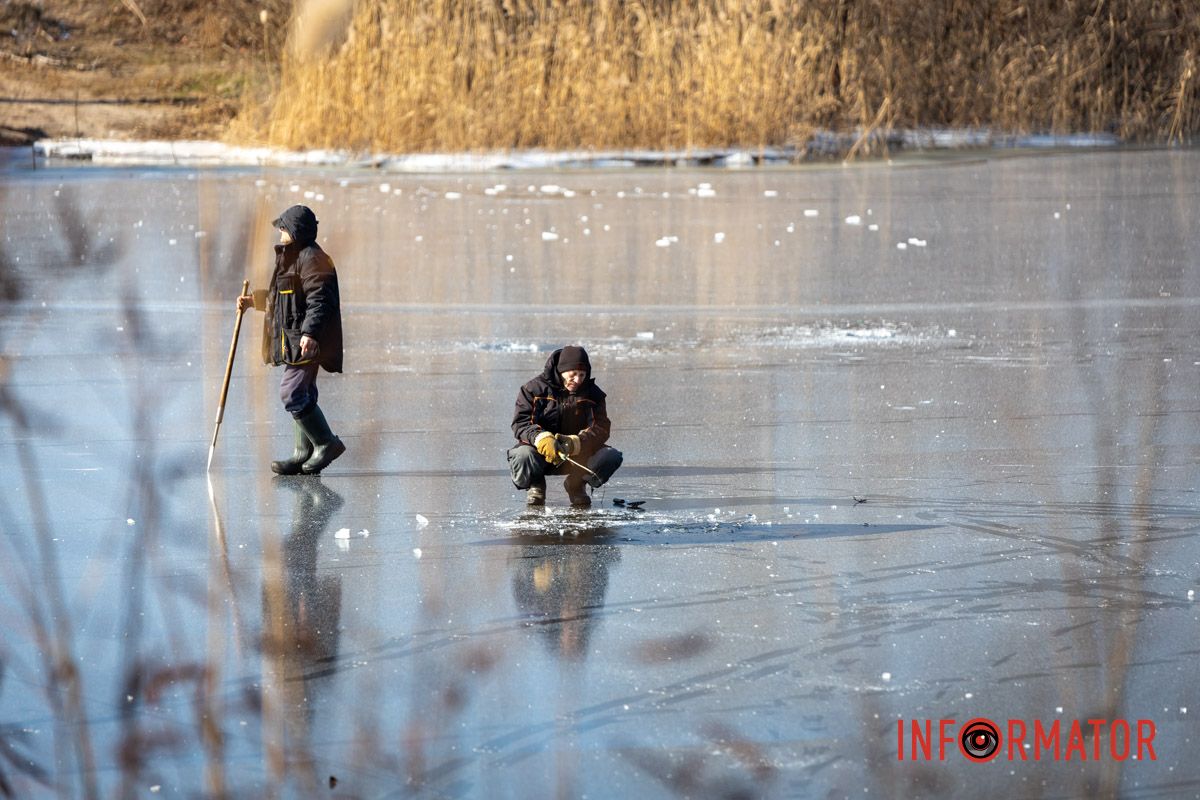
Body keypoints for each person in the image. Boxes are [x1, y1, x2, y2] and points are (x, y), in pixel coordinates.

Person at [238, 205, 345, 475]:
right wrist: (253, 301)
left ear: (294, 231)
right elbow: (281, 300)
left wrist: (310, 334)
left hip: (307, 342)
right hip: (295, 341)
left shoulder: (313, 259)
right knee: (302, 393)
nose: (280, 233)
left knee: (292, 392)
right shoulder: (291, 257)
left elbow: (320, 301)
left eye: (283, 228)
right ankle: (302, 453)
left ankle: (326, 443)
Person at [508, 345, 622, 507]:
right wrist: (541, 438)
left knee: (611, 456)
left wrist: (576, 442)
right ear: (561, 371)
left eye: (582, 375)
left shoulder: (593, 394)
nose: (578, 380)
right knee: (522, 455)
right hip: (540, 454)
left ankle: (576, 484)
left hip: (576, 455)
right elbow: (521, 423)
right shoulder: (533, 390)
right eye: (573, 374)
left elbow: (601, 428)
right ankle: (536, 485)